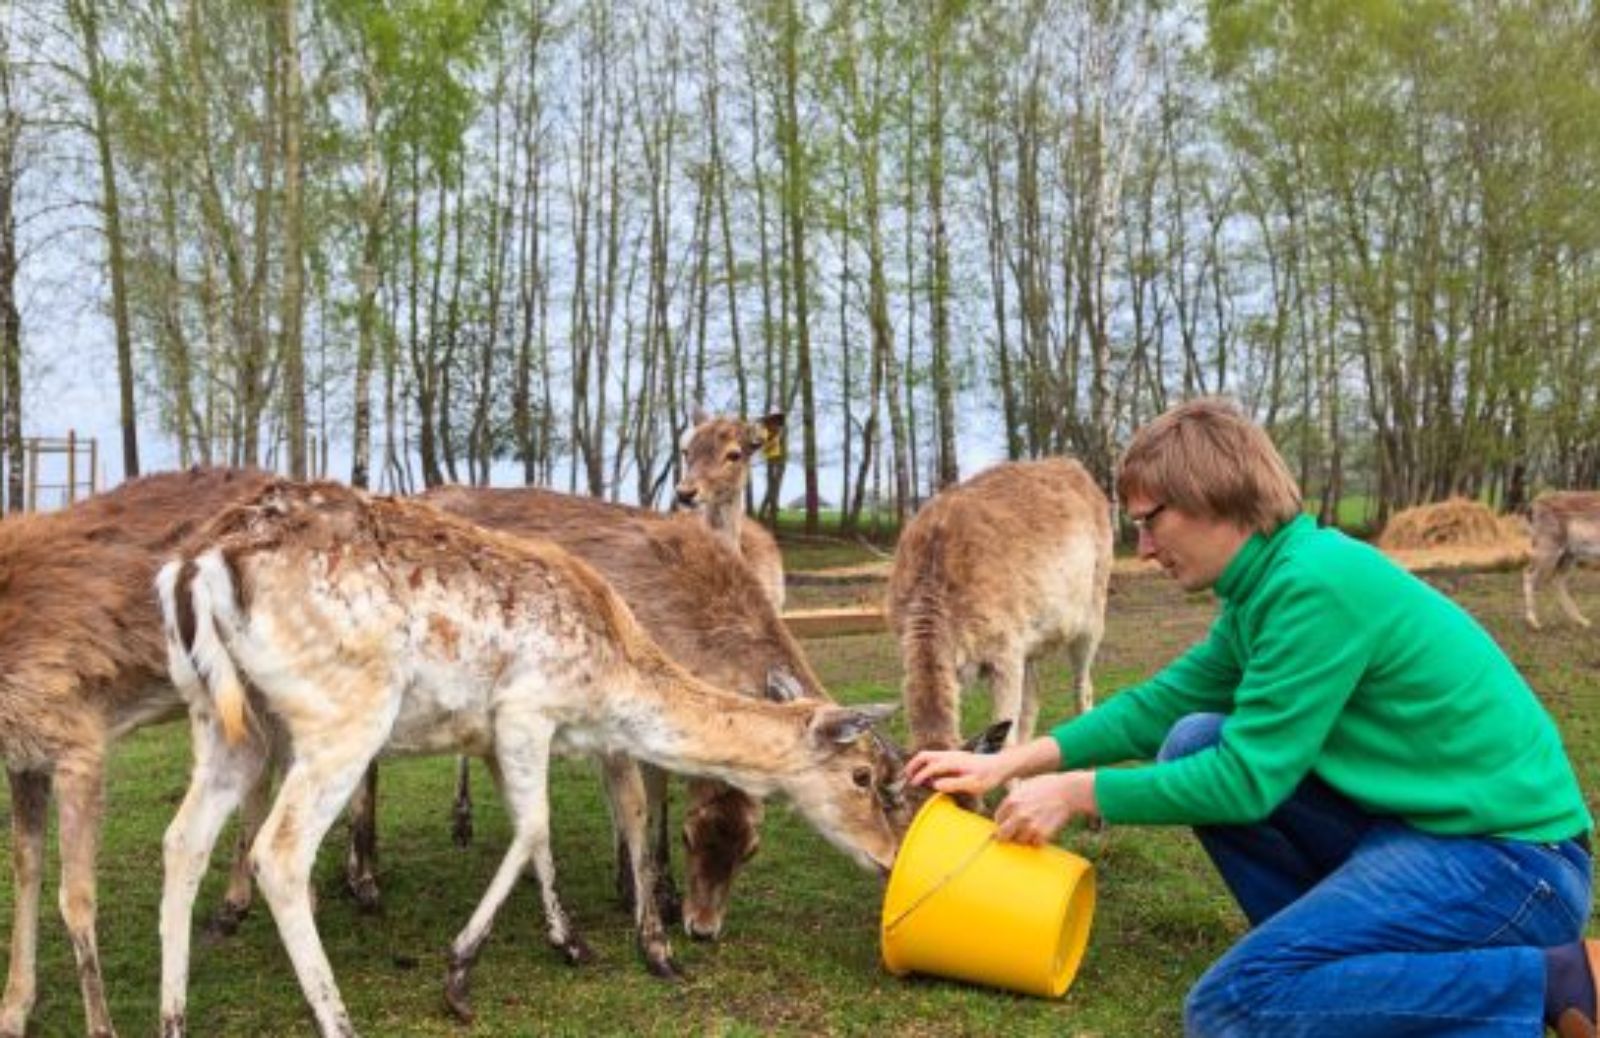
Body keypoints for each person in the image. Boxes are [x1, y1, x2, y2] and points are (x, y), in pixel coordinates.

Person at [906, 397, 1597, 1037]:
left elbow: (1246, 783)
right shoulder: (1265, 588)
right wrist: (1007, 762)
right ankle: (1331, 965)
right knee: (1190, 737)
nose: (1142, 547)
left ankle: (1556, 979)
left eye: (1151, 520)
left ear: (1213, 498)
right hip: (1430, 835)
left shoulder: (1316, 586)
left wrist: (1080, 791)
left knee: (1233, 1005)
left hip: (1513, 868)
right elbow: (1160, 705)